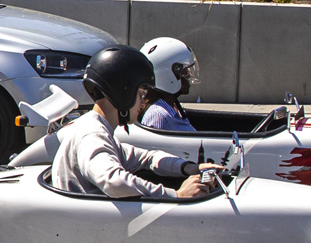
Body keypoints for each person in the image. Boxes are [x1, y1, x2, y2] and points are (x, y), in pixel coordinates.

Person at [50, 45, 216, 200]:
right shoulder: (93, 135)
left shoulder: (99, 130)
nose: (143, 102)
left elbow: (148, 158)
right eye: (141, 94)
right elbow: (114, 182)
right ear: (124, 93)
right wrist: (176, 195)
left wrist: (190, 168)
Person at [139, 37, 200, 132]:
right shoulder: (158, 115)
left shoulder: (173, 109)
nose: (188, 75)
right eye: (184, 71)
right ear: (170, 74)